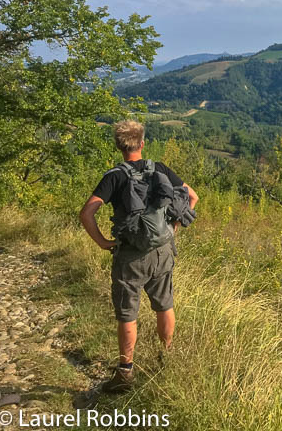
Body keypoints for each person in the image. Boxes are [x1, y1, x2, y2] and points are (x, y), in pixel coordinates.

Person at [79, 120, 198, 392]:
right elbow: (192, 197)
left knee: (127, 313)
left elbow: (87, 213)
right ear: (142, 143)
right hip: (162, 251)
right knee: (164, 304)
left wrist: (102, 242)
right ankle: (166, 356)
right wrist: (172, 230)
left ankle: (125, 374)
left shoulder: (114, 176)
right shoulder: (160, 169)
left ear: (119, 146)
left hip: (129, 257)